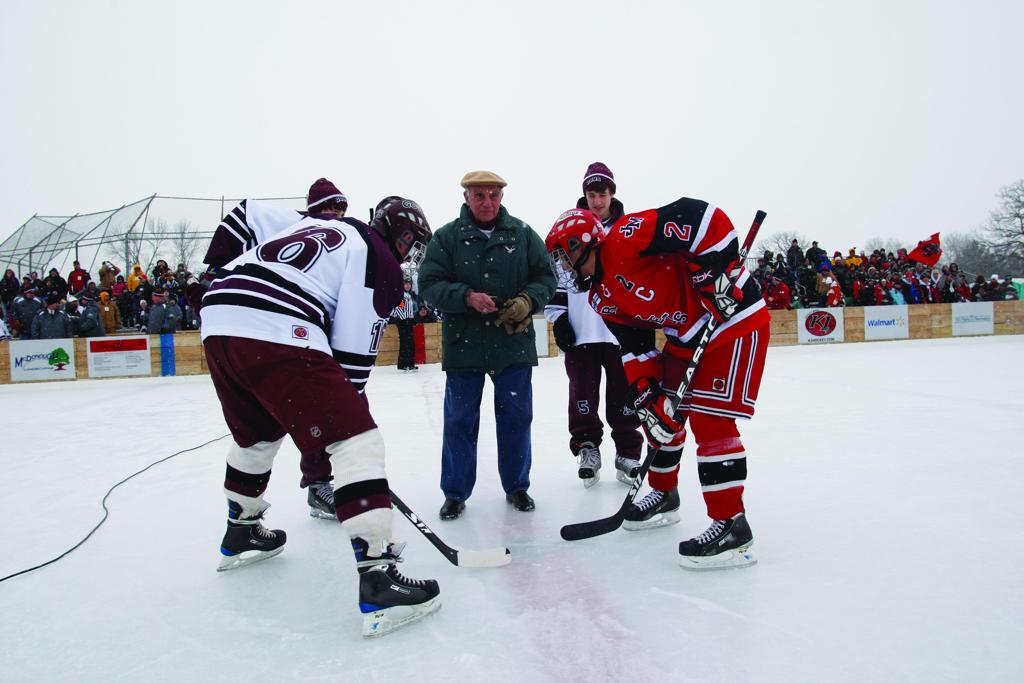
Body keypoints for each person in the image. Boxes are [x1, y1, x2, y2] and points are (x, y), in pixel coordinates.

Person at [200, 181, 439, 637]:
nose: (410, 254)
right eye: (413, 244)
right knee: (357, 441)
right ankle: (379, 576)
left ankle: (241, 529)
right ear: (403, 236)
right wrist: (339, 428)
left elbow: (245, 213)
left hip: (218, 313)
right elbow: (351, 368)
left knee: (257, 434)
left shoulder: (314, 223)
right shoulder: (380, 260)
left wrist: (214, 268)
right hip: (276, 322)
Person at [546, 197, 770, 570]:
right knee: (661, 415)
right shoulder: (601, 297)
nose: (562, 267)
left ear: (581, 244)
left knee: (711, 422)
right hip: (687, 334)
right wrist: (647, 395)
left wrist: (713, 273)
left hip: (732, 320)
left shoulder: (625, 237)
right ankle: (665, 495)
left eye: (562, 257)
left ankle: (733, 526)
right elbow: (635, 349)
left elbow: (701, 217)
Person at [418, 171, 556, 519]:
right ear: (466, 197)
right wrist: (466, 297)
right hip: (464, 344)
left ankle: (517, 486)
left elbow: (546, 277)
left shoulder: (522, 234)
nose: (487, 202)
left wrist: (527, 300)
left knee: (517, 418)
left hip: (512, 343)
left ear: (502, 197)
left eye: (493, 195)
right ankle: (455, 492)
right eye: (479, 195)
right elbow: (429, 283)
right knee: (460, 421)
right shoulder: (447, 238)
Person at [543, 162, 642, 488]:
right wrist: (559, 318)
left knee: (625, 396)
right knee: (582, 396)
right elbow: (556, 275)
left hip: (620, 330)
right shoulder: (569, 228)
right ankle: (587, 447)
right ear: (584, 195)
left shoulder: (627, 229)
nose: (597, 201)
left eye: (602, 194)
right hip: (582, 329)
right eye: (591, 194)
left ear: (612, 194)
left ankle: (628, 452)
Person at [390, 280, 418, 371]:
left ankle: (410, 363)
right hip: (403, 321)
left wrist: (411, 318)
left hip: (408, 321)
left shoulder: (409, 295)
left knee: (410, 343)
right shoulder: (402, 295)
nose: (408, 286)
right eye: (406, 284)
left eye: (409, 284)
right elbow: (398, 308)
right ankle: (404, 364)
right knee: (405, 342)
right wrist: (403, 318)